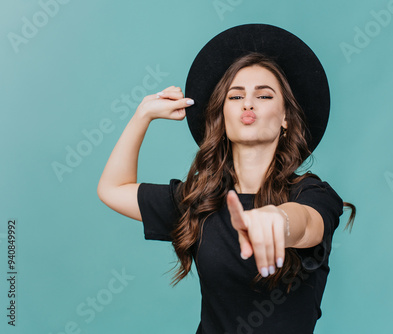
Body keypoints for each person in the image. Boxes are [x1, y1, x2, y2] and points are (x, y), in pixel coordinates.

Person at [97, 24, 355, 334]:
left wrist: (278, 220)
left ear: (285, 117)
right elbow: (113, 189)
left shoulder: (312, 194)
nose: (248, 103)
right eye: (235, 97)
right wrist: (142, 116)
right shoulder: (198, 200)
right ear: (222, 115)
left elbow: (307, 225)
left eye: (264, 95)